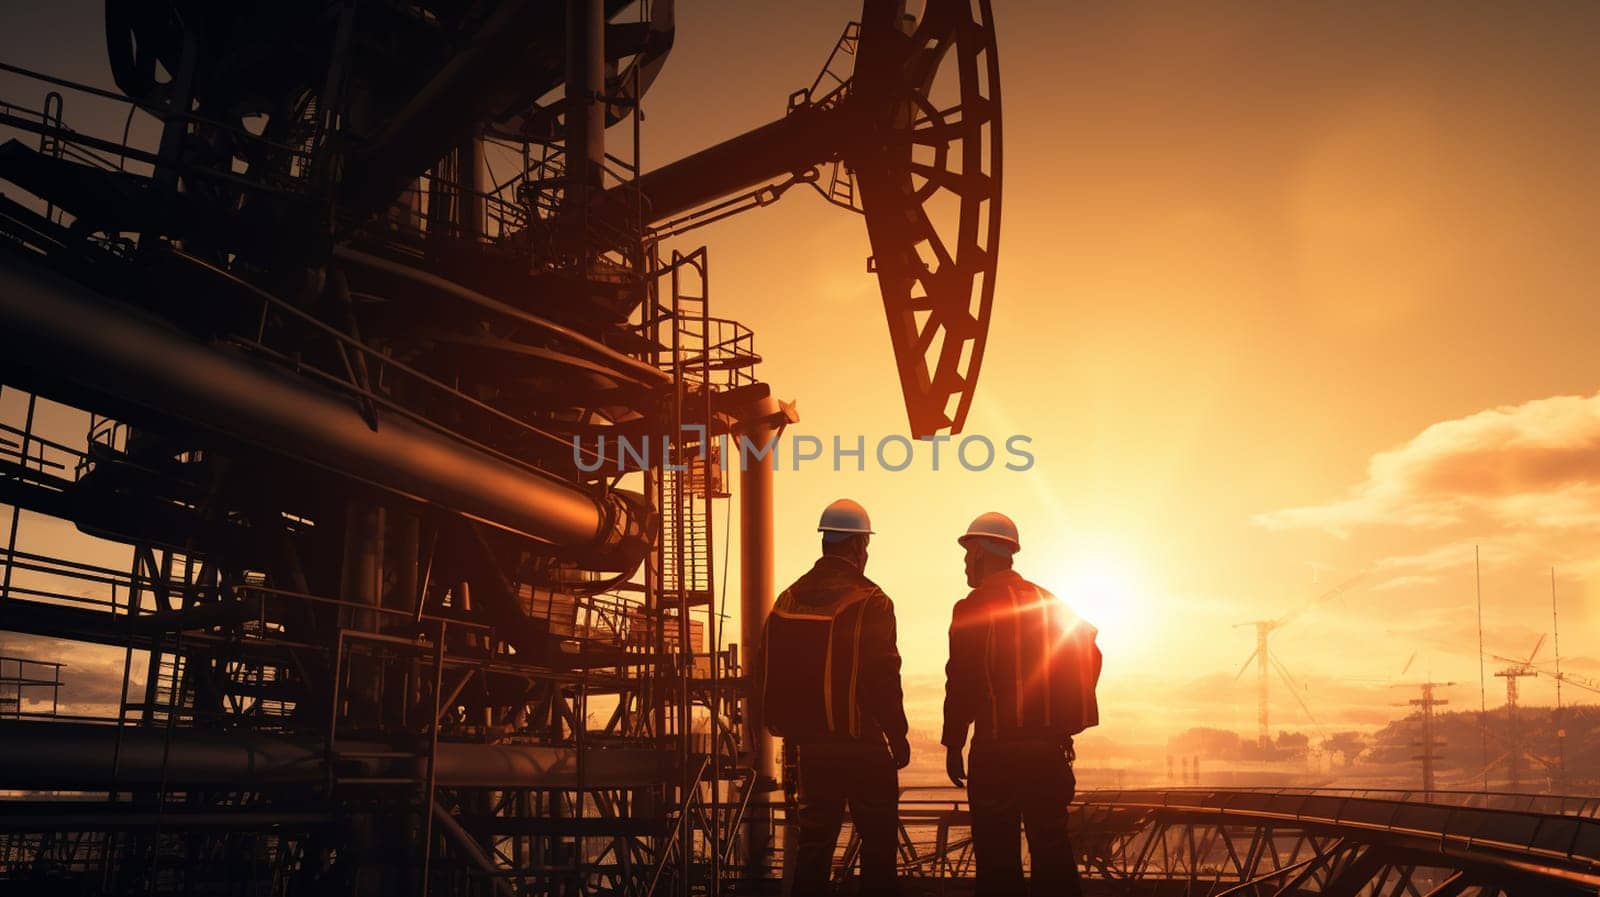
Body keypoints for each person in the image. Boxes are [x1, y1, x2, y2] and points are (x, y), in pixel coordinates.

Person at [941, 512, 1102, 897]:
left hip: (996, 753)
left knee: (998, 863)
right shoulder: (1050, 605)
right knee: (1053, 855)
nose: (964, 563)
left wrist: (953, 742)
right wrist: (1061, 717)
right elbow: (1089, 656)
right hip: (1048, 755)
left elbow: (960, 679)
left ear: (980, 553)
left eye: (967, 555)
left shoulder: (973, 607)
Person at [761, 498, 910, 897]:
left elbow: (770, 671)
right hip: (862, 744)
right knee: (878, 847)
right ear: (858, 546)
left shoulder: (787, 600)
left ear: (826, 542)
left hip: (811, 748)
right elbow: (882, 675)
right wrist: (898, 735)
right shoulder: (871, 600)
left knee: (814, 846)